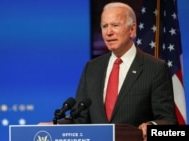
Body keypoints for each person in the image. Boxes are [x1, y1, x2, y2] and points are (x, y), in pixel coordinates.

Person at [39, 2, 178, 141]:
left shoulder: (155, 68)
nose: (109, 32)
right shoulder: (92, 68)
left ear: (132, 29)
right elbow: (80, 119)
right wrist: (55, 127)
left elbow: (168, 121)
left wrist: (152, 126)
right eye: (105, 26)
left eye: (115, 25)